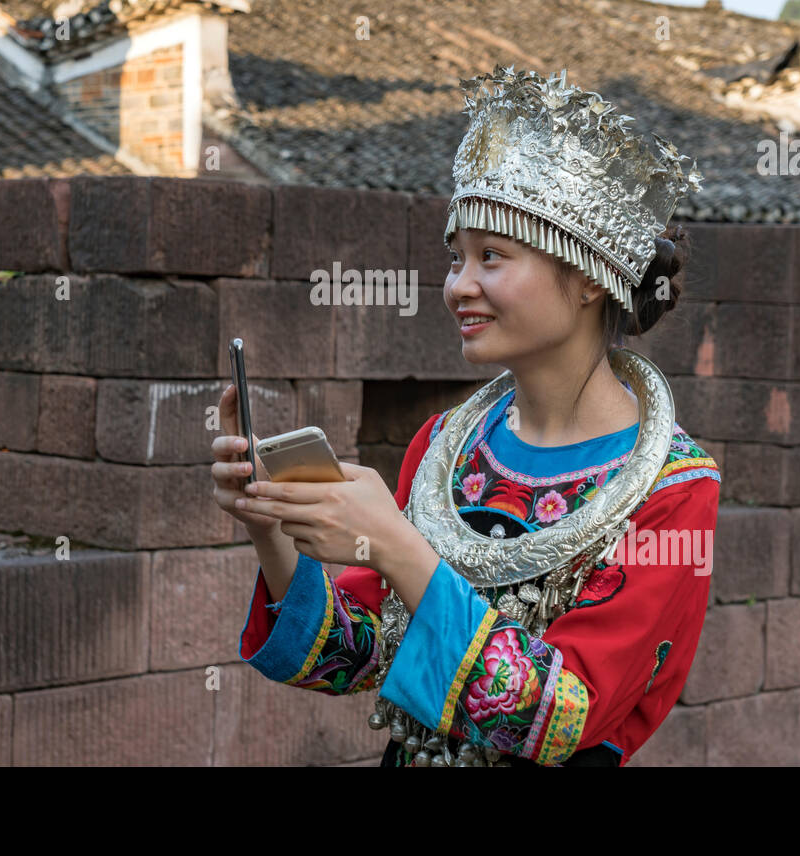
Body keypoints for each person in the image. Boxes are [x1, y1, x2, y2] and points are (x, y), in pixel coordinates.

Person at [212, 65, 720, 767]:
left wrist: (394, 545)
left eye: (492, 257)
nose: (459, 287)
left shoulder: (672, 489)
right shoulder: (448, 447)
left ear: (584, 279)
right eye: (455, 259)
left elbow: (556, 717)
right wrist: (271, 530)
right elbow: (355, 655)